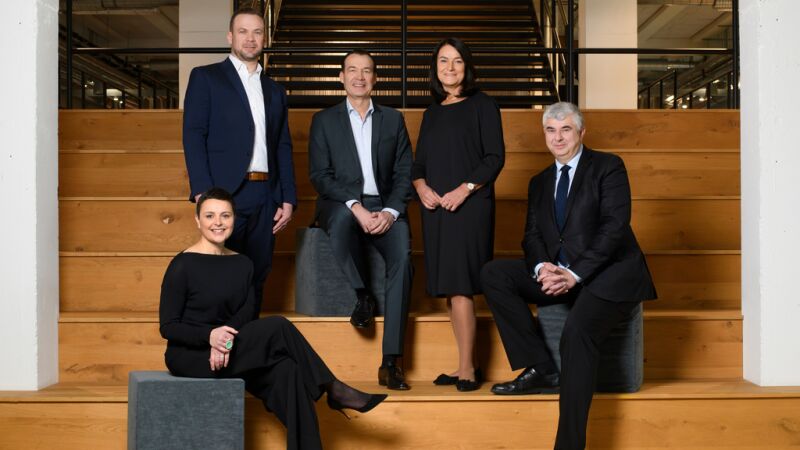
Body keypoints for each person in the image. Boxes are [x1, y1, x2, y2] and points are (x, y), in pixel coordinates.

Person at [480, 102, 657, 449]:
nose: (557, 137)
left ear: (581, 133)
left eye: (565, 130)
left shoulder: (608, 167)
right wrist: (541, 267)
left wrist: (573, 274)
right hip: (560, 274)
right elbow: (531, 235)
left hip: (607, 277)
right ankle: (541, 367)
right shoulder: (540, 182)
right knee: (494, 274)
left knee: (576, 333)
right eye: (550, 130)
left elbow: (614, 228)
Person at [160, 187, 387, 450]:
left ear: (234, 219)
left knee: (287, 371)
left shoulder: (243, 264)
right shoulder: (182, 265)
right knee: (278, 325)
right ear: (198, 221)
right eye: (210, 216)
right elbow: (169, 326)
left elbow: (245, 314)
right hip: (191, 355)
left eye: (225, 215)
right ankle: (332, 387)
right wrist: (210, 337)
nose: (218, 223)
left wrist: (224, 342)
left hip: (229, 349)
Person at [308, 50, 414, 391]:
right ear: (341, 77)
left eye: (366, 71)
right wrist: (355, 206)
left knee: (403, 255)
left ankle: (390, 361)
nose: (359, 76)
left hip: (384, 205)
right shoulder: (324, 121)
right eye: (352, 70)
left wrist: (390, 211)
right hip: (341, 202)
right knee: (339, 220)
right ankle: (362, 294)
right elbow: (320, 176)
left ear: (375, 78)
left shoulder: (393, 120)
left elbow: (403, 173)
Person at [182, 7, 296, 318]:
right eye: (243, 31)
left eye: (257, 32)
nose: (250, 38)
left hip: (265, 195)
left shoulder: (275, 90)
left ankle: (246, 350)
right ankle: (217, 354)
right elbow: (193, 134)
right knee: (220, 275)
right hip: (223, 193)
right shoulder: (206, 78)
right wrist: (203, 191)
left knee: (256, 275)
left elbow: (282, 145)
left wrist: (287, 198)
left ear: (264, 38)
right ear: (230, 36)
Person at [411, 37, 505, 392]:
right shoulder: (432, 112)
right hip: (435, 209)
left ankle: (467, 369)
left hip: (469, 207)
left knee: (462, 286)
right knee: (452, 290)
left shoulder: (483, 105)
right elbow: (418, 163)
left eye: (457, 61)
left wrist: (463, 190)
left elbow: (494, 158)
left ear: (468, 66)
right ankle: (468, 362)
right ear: (435, 68)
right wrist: (421, 188)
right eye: (443, 61)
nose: (449, 68)